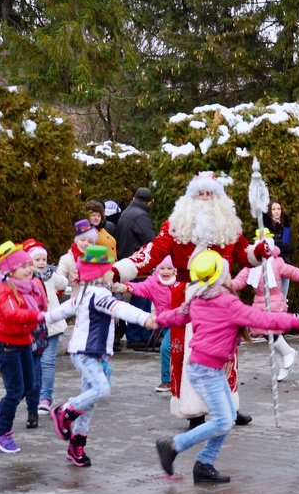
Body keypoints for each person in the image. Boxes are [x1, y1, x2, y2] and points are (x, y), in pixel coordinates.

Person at [112, 171, 273, 426]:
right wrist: (118, 270)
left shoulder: (228, 226)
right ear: (191, 197)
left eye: (210, 193)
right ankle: (195, 410)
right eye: (200, 193)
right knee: (193, 353)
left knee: (225, 353)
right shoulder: (176, 226)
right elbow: (151, 253)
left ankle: (227, 405)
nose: (205, 198)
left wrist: (258, 251)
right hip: (190, 297)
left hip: (222, 298)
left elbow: (243, 253)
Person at [155, 249, 299, 483]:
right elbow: (264, 319)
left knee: (226, 418)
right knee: (223, 420)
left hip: (206, 368)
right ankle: (173, 445)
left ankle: (204, 464)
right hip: (205, 369)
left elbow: (177, 316)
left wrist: (155, 320)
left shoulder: (198, 298)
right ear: (221, 277)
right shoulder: (226, 302)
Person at [45, 246, 157, 466]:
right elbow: (121, 309)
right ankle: (64, 411)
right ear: (99, 273)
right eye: (109, 269)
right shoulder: (99, 295)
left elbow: (64, 309)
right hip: (85, 353)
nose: (112, 272)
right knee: (101, 389)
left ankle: (76, 445)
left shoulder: (86, 292)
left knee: (90, 401)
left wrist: (43, 318)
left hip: (94, 354)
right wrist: (145, 318)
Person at [230, 228, 299, 381]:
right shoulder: (251, 266)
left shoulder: (277, 263)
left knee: (271, 329)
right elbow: (239, 281)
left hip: (275, 301)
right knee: (262, 330)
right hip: (259, 302)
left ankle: (287, 353)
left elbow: (295, 272)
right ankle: (287, 353)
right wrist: (223, 286)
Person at [0, 242, 47, 454]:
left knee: (29, 385)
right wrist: (36, 315)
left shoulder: (29, 287)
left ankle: (1, 408)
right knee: (15, 391)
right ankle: (1, 432)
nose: (29, 270)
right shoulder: (4, 290)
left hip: (24, 341)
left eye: (29, 265)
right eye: (24, 266)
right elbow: (12, 314)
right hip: (7, 346)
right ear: (10, 270)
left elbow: (42, 305)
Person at [114, 255, 185, 392]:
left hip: (180, 322)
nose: (165, 272)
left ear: (175, 270)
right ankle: (178, 378)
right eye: (162, 268)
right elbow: (139, 287)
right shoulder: (153, 283)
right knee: (176, 351)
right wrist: (123, 287)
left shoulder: (181, 283)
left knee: (166, 348)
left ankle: (167, 381)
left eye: (169, 268)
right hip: (163, 322)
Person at [22, 239, 68, 422]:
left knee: (48, 361)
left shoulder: (50, 275)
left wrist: (57, 277)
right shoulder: (25, 279)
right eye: (37, 260)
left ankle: (45, 397)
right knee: (37, 364)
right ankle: (37, 394)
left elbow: (64, 284)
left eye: (44, 259)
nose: (41, 263)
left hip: (53, 325)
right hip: (34, 327)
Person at [117, 188, 158, 349]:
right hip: (139, 264)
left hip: (127, 260)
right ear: (148, 202)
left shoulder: (127, 212)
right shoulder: (141, 216)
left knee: (139, 297)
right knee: (142, 298)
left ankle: (140, 335)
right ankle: (138, 336)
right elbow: (150, 240)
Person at [58, 219, 99, 296]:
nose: (85, 244)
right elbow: (60, 277)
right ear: (76, 241)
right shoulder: (66, 259)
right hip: (74, 301)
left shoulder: (96, 259)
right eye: (82, 240)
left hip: (94, 300)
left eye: (90, 242)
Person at [261, 199, 293, 296]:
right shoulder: (266, 225)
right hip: (271, 265)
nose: (276, 211)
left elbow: (288, 246)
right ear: (270, 211)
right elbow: (270, 244)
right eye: (274, 209)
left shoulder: (285, 225)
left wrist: (277, 242)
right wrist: (279, 242)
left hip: (285, 264)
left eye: (278, 209)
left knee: (283, 295)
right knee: (272, 296)